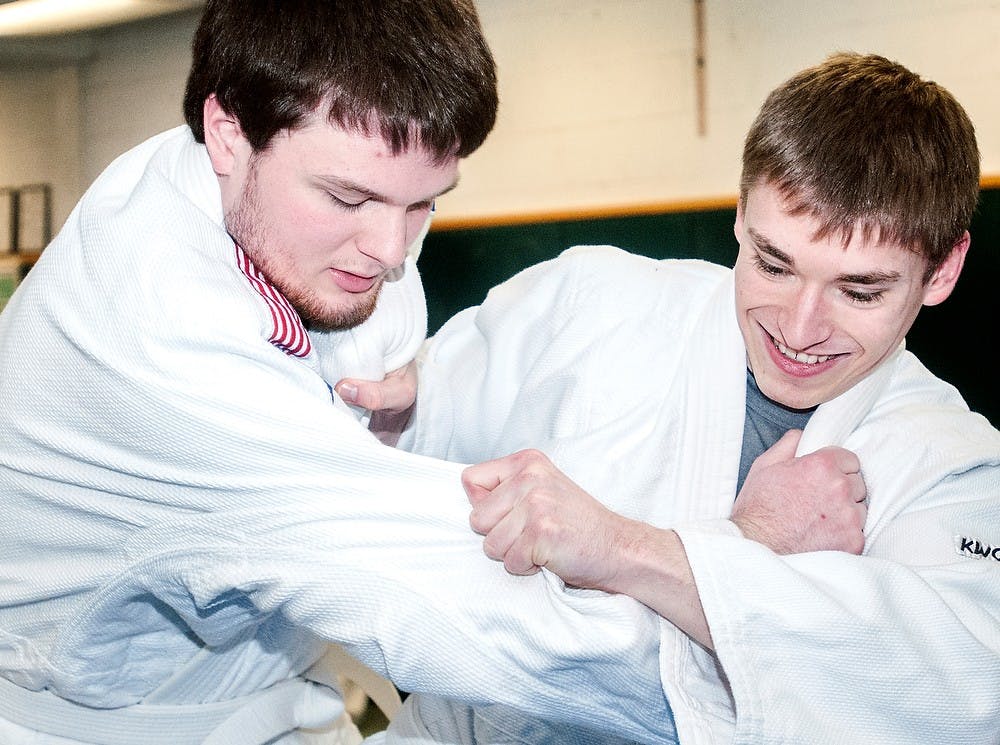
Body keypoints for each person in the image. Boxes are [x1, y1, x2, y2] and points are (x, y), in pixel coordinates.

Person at [0, 2, 704, 743]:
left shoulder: (282, 207)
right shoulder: (156, 336)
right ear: (226, 133)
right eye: (347, 198)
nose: (391, 251)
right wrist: (731, 598)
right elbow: (465, 608)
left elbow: (360, 372)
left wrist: (388, 420)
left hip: (273, 690)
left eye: (424, 203)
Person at [347, 53, 1000, 743]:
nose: (799, 328)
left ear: (943, 269)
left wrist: (627, 549)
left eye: (859, 290)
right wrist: (400, 410)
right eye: (773, 264)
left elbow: (962, 689)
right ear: (742, 215)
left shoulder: (954, 467)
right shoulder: (595, 303)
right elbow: (420, 427)